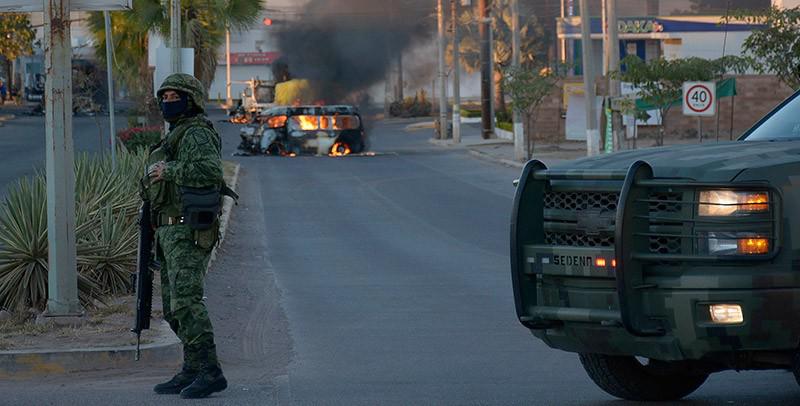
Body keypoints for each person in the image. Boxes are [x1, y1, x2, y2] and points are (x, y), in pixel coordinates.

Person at [143, 73, 228, 399]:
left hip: (189, 229)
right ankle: (192, 368)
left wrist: (169, 170)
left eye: (174, 96)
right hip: (169, 229)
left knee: (186, 303)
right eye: (163, 98)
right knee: (172, 308)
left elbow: (209, 171)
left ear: (190, 99)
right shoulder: (176, 133)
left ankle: (211, 371)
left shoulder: (196, 133)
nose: (167, 102)